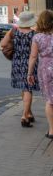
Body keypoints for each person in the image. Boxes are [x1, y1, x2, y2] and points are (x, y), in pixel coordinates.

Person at [3, 11, 38, 127]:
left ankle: (29, 113)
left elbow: (3, 43)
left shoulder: (13, 31)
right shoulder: (34, 34)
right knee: (28, 88)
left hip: (17, 62)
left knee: (24, 88)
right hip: (30, 63)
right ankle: (24, 116)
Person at [28, 10, 53, 139]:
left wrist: (29, 74)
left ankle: (52, 130)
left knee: (50, 100)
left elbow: (33, 57)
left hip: (45, 69)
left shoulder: (37, 38)